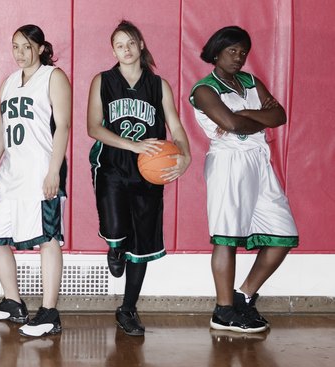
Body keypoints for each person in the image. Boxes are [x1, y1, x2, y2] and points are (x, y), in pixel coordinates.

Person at [189, 26, 298, 333]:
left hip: (259, 161)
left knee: (283, 234)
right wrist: (251, 118)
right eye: (232, 51)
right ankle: (223, 311)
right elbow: (231, 124)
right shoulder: (204, 89)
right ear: (216, 52)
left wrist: (246, 113)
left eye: (243, 52)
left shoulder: (250, 81)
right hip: (228, 163)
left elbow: (280, 117)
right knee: (227, 236)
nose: (238, 57)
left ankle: (243, 296)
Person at [86, 20, 191, 336]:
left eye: (131, 42)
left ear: (141, 45)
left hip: (149, 174)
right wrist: (133, 145)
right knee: (117, 231)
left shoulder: (159, 86)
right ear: (113, 50)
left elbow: (175, 125)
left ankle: (128, 309)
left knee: (141, 245)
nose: (126, 49)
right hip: (113, 167)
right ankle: (114, 248)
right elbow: (94, 127)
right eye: (119, 44)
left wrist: (185, 156)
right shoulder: (102, 81)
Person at [0, 24, 71, 337]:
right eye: (15, 46)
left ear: (41, 48)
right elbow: (0, 130)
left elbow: (63, 127)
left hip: (40, 172)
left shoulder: (53, 76)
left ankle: (49, 312)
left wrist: (54, 171)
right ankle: (13, 302)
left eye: (26, 46)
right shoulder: (7, 83)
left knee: (47, 240)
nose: (20, 53)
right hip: (11, 174)